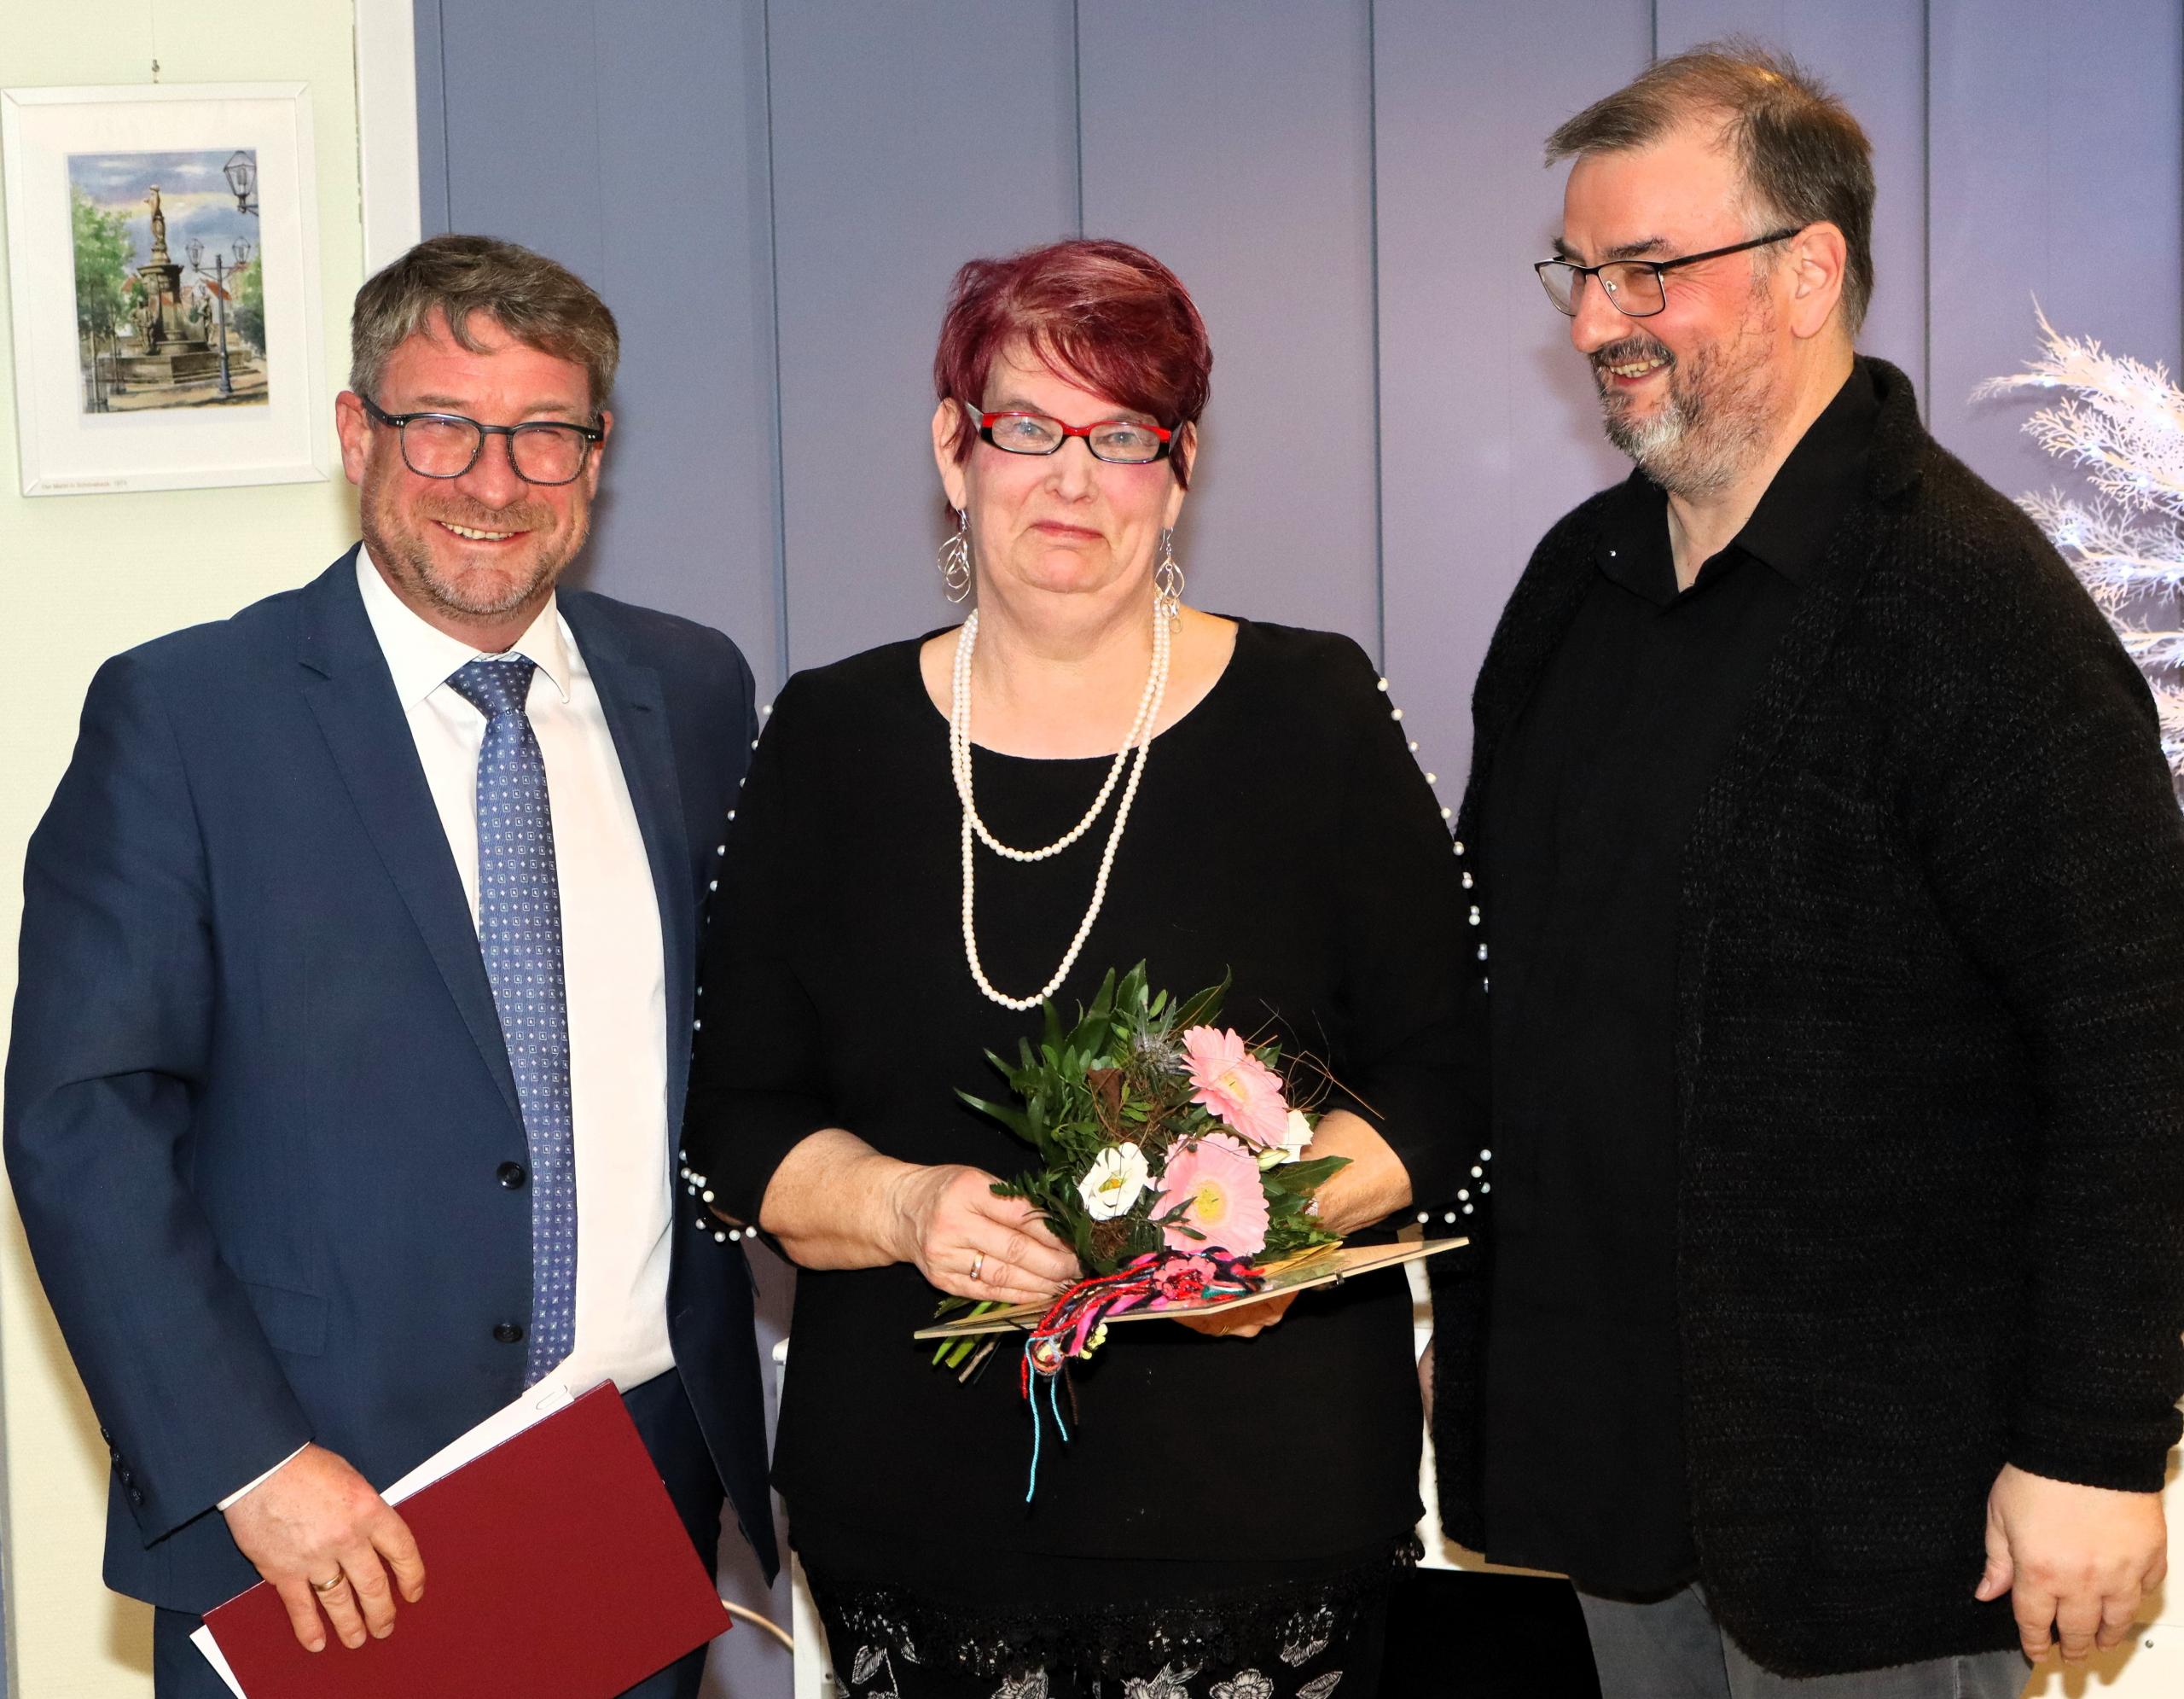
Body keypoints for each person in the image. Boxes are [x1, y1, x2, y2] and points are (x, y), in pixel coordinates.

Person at [1425, 43, 2184, 1699]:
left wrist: (2095, 1446)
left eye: (1647, 269)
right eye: (1577, 271)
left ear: (1807, 269)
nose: (1596, 320)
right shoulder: (1575, 586)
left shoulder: (1970, 611)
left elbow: (2136, 1054)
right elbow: (1507, 983)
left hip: (1880, 1520)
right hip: (1611, 1480)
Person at [681, 236, 1467, 1697]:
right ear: (954, 447)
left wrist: (1266, 1226)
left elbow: (1449, 1075)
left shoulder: (1316, 713)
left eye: (1122, 437)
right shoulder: (830, 738)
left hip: (1263, 1502)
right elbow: (735, 1122)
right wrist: (905, 1206)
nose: (1071, 480)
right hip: (915, 1510)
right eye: (1027, 428)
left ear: (1180, 469)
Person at [5, 233, 775, 1697]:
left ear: (597, 454)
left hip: (634, 1485)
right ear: (359, 432)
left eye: (544, 433)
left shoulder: (691, 689)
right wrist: (249, 1464)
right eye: (444, 426)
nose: (495, 480)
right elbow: (82, 1125)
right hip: (319, 1523)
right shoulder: (187, 715)